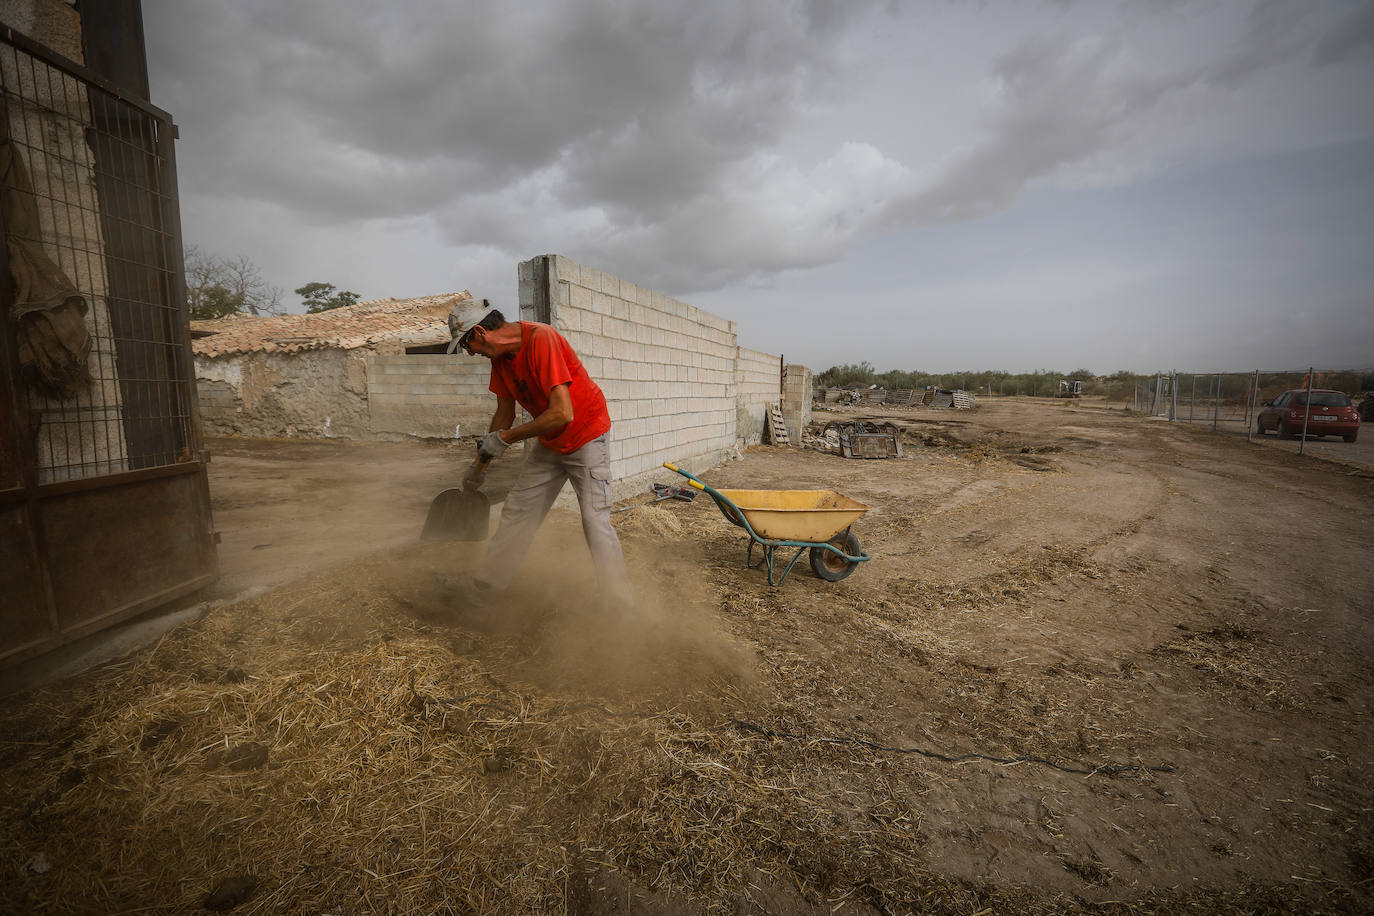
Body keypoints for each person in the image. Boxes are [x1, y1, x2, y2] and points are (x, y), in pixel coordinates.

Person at [441, 296, 631, 615]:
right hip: (550, 440)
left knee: (594, 520)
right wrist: (481, 462)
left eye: (466, 345)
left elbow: (562, 413)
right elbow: (504, 414)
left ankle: (620, 608)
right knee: (518, 510)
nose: (470, 353)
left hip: (586, 434)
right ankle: (485, 589)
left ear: (479, 333)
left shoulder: (541, 338)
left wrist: (507, 439)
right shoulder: (499, 360)